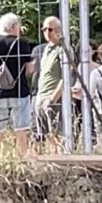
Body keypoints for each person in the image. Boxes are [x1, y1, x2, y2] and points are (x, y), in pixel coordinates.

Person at [0, 12, 35, 155]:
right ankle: (21, 159)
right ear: (13, 27)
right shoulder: (22, 44)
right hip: (20, 92)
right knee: (21, 130)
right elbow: (29, 70)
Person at [32, 16, 65, 144]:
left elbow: (66, 77)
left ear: (58, 30)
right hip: (41, 97)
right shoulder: (45, 49)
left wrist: (53, 98)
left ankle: (60, 160)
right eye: (44, 29)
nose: (47, 32)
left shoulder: (63, 50)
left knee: (56, 134)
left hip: (53, 98)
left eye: (50, 29)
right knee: (42, 136)